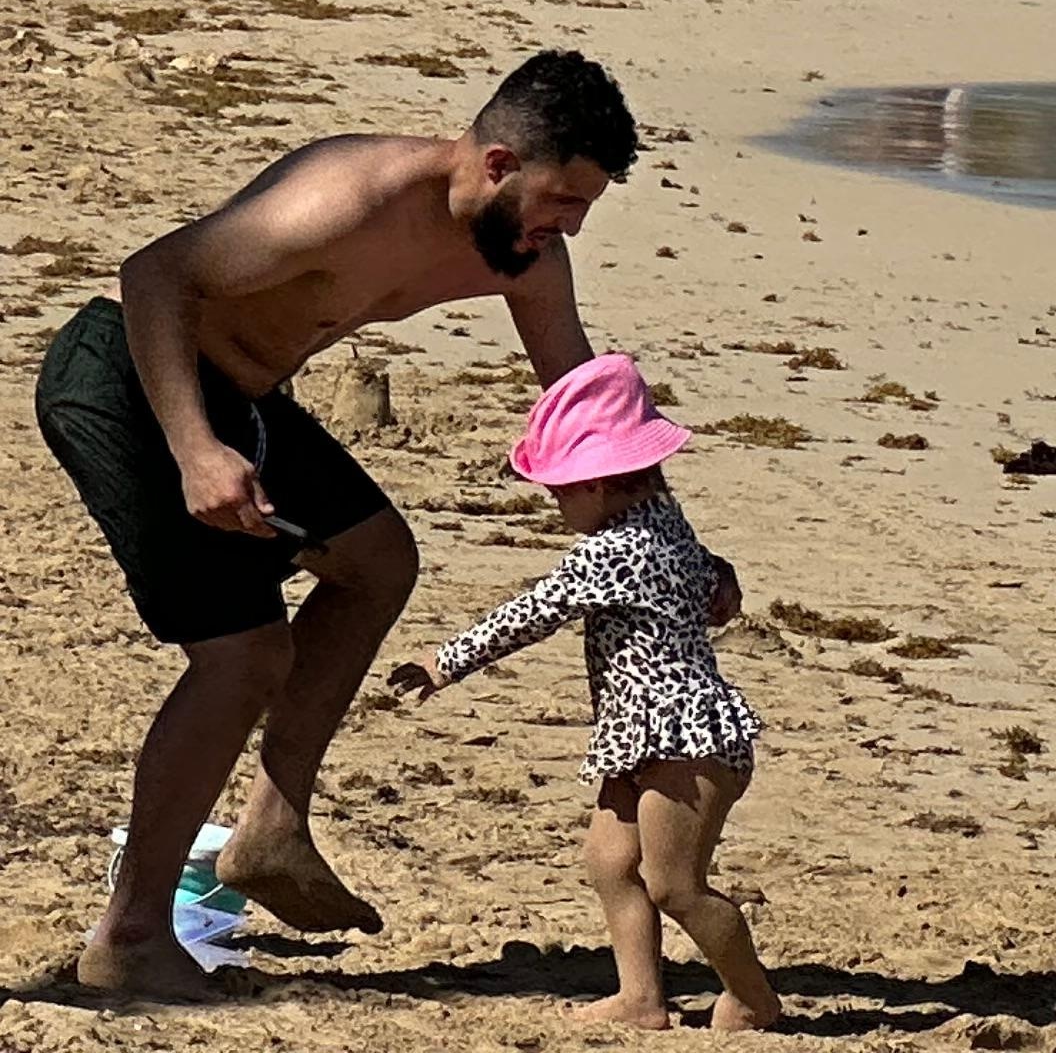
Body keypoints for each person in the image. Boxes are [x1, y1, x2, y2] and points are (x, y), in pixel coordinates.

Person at [30, 52, 635, 999]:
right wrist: (194, 451)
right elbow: (154, 276)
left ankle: (272, 826)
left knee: (379, 563)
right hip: (129, 376)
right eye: (561, 200)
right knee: (242, 657)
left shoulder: (524, 255)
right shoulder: (352, 198)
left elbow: (581, 404)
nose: (569, 227)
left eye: (585, 209)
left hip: (245, 402)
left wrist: (669, 538)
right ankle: (132, 934)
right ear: (499, 165)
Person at [383, 354, 776, 1031]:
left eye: (560, 490)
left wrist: (445, 663)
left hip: (685, 740)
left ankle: (753, 996)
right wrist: (720, 586)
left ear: (596, 482)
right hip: (636, 734)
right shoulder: (665, 520)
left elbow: (535, 611)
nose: (554, 502)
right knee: (610, 860)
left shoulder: (613, 551)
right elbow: (709, 584)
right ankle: (641, 998)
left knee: (674, 885)